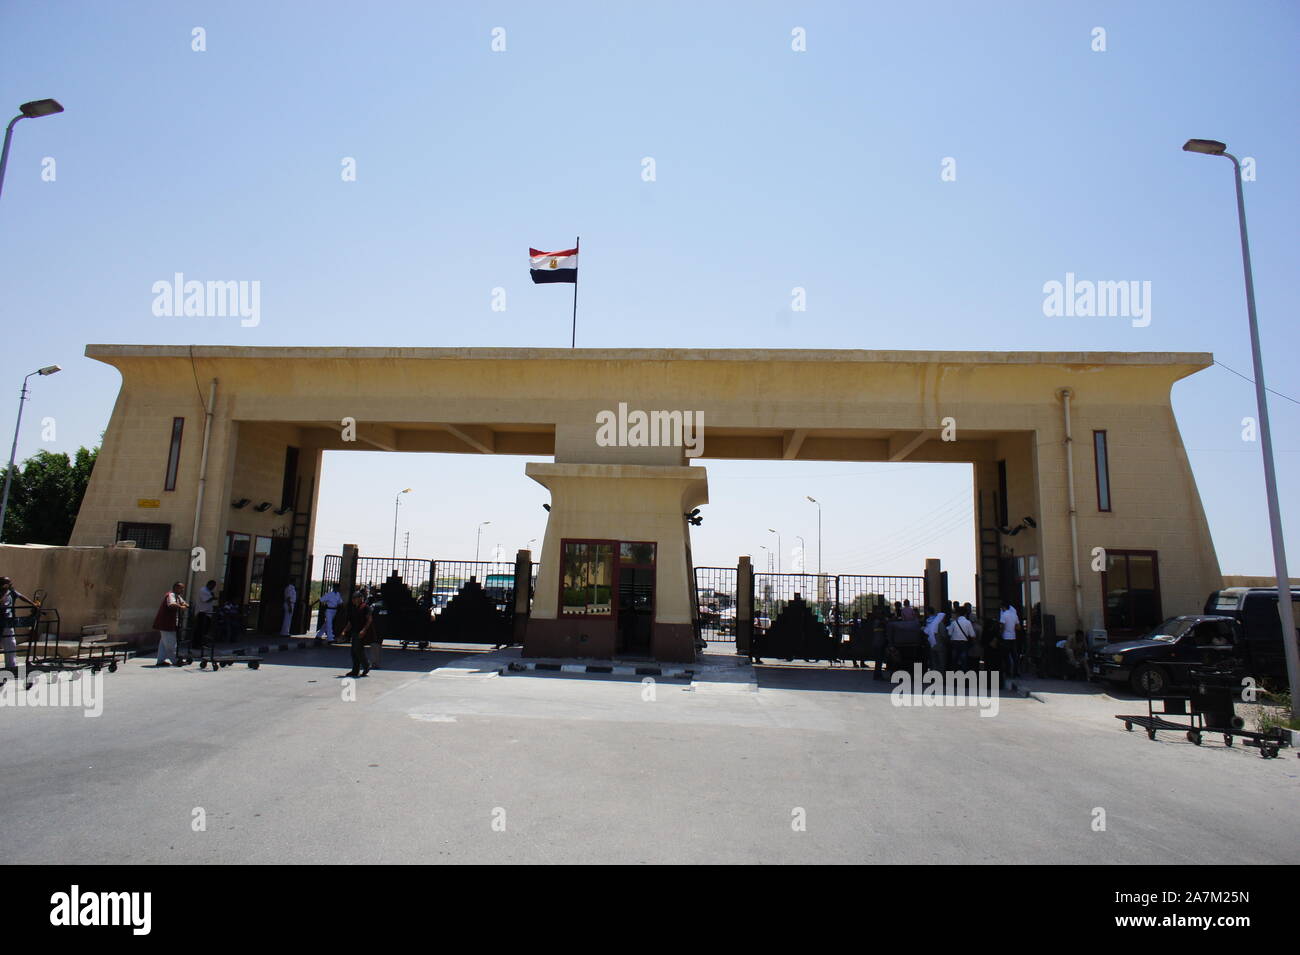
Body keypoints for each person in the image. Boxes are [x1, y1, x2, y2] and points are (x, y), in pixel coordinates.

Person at [1, 576, 33, 675]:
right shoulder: (2, 592)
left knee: (10, 642)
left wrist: (33, 604)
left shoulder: (11, 591)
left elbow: (21, 597)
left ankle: (11, 666)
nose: (10, 585)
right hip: (1, 619)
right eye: (8, 583)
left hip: (8, 621)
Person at [152, 581, 189, 667]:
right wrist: (181, 607)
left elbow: (185, 604)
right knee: (171, 643)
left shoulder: (178, 596)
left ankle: (160, 661)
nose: (183, 590)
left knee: (164, 644)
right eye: (181, 588)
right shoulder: (170, 595)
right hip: (166, 623)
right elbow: (172, 605)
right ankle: (175, 660)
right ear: (176, 588)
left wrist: (184, 604)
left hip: (170, 623)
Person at [338, 591, 372, 678]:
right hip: (354, 631)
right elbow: (350, 622)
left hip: (361, 632)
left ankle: (366, 665)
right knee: (354, 652)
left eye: (355, 598)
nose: (353, 600)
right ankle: (355, 670)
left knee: (358, 650)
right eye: (353, 598)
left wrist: (364, 630)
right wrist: (344, 631)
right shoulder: (353, 608)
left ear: (360, 598)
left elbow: (369, 620)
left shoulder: (365, 607)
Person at [999, 600, 1021, 680]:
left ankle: (1008, 672)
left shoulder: (1004, 615)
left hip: (1005, 637)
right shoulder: (1014, 615)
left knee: (1005, 656)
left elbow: (1002, 626)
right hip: (1013, 637)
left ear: (1003, 607)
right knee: (1014, 656)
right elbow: (1018, 627)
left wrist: (1000, 635)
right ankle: (1016, 672)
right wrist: (1012, 629)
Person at [948, 606, 975, 670]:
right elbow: (972, 635)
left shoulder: (954, 623)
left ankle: (954, 676)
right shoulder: (968, 622)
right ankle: (963, 677)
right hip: (964, 643)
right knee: (964, 662)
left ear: (957, 614)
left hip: (954, 643)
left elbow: (949, 633)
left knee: (954, 661)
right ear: (965, 613)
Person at [194, 579, 216, 648]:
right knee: (200, 629)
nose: (213, 588)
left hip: (207, 613)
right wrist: (213, 597)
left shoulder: (209, 591)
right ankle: (196, 644)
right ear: (209, 584)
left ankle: (202, 643)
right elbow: (206, 600)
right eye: (213, 586)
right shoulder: (203, 590)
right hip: (202, 613)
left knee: (205, 630)